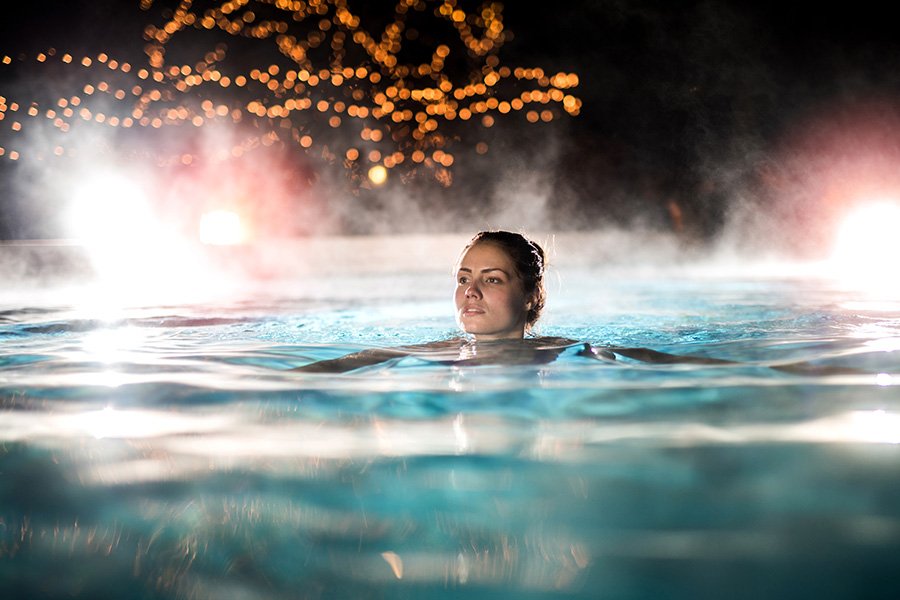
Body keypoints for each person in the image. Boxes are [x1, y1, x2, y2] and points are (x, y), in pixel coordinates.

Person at [293, 230, 862, 375]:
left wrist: (778, 369)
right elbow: (342, 365)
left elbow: (660, 363)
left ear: (530, 296)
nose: (469, 291)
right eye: (464, 276)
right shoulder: (430, 351)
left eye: (491, 279)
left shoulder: (565, 354)